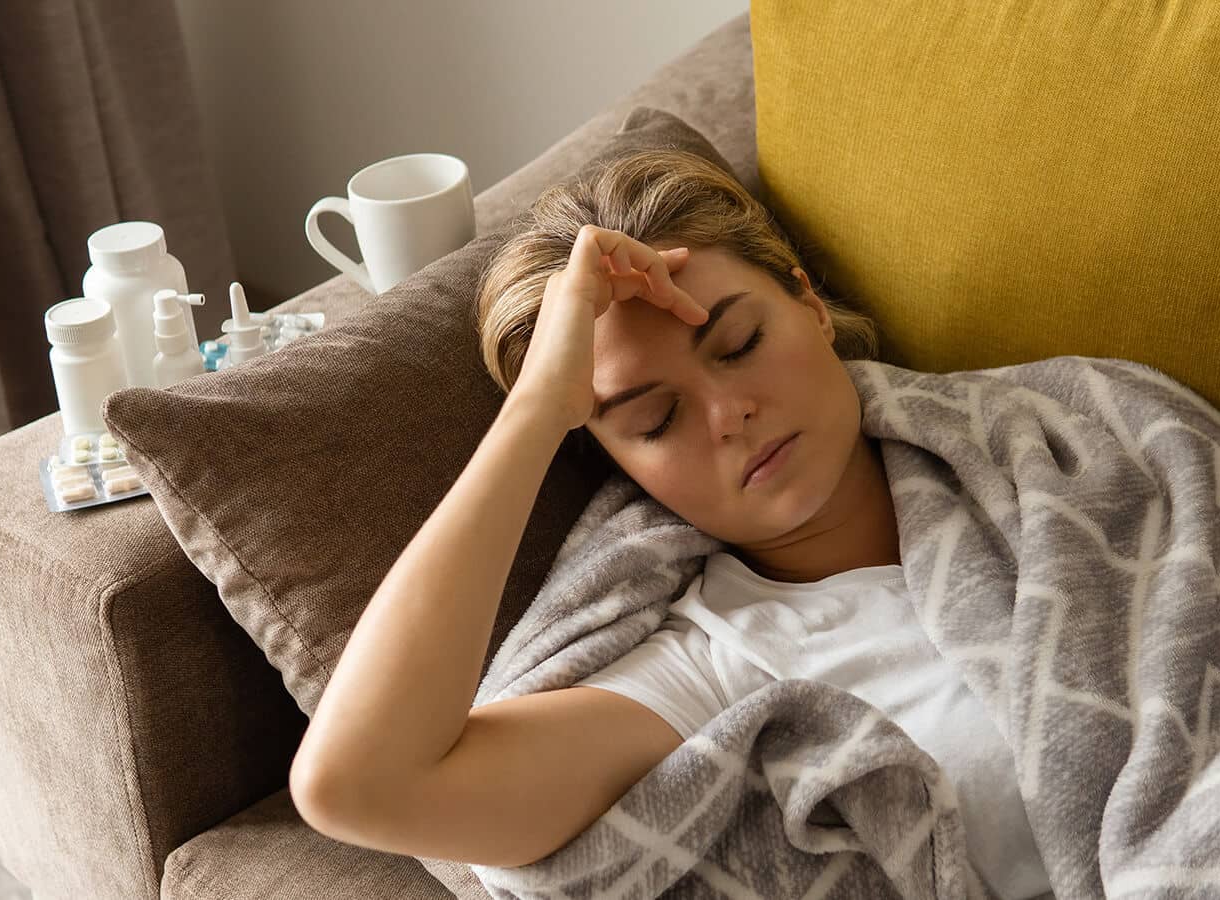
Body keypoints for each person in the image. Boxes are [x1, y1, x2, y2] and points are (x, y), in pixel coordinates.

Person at [289, 148, 1051, 898]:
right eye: (655, 419)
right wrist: (537, 411)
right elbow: (361, 786)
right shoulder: (711, 667)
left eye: (740, 345)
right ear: (625, 466)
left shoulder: (1048, 448)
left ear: (810, 305)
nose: (728, 414)